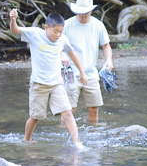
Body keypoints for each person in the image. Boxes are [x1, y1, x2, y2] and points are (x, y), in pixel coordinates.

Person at [9, 9, 88, 149]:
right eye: (55, 31)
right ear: (46, 27)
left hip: (57, 83)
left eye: (60, 31)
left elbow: (72, 53)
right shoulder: (35, 34)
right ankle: (27, 140)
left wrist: (82, 72)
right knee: (35, 117)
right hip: (39, 84)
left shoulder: (62, 39)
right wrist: (13, 19)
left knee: (68, 112)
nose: (58, 35)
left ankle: (77, 143)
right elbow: (15, 30)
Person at [62, 0, 114, 123]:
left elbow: (106, 46)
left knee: (94, 108)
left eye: (85, 12)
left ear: (91, 11)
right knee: (69, 109)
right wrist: (61, 54)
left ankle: (93, 135)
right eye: (79, 12)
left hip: (91, 73)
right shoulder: (67, 25)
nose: (82, 15)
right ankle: (63, 137)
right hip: (71, 74)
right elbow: (56, 44)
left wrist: (109, 60)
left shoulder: (98, 25)